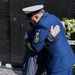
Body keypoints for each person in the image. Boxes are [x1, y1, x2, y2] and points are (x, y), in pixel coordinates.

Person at [22, 5, 75, 75]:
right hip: (67, 59)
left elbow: (36, 47)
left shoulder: (42, 24)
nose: (30, 23)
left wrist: (27, 40)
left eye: (31, 20)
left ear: (36, 17)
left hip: (57, 64)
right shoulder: (52, 17)